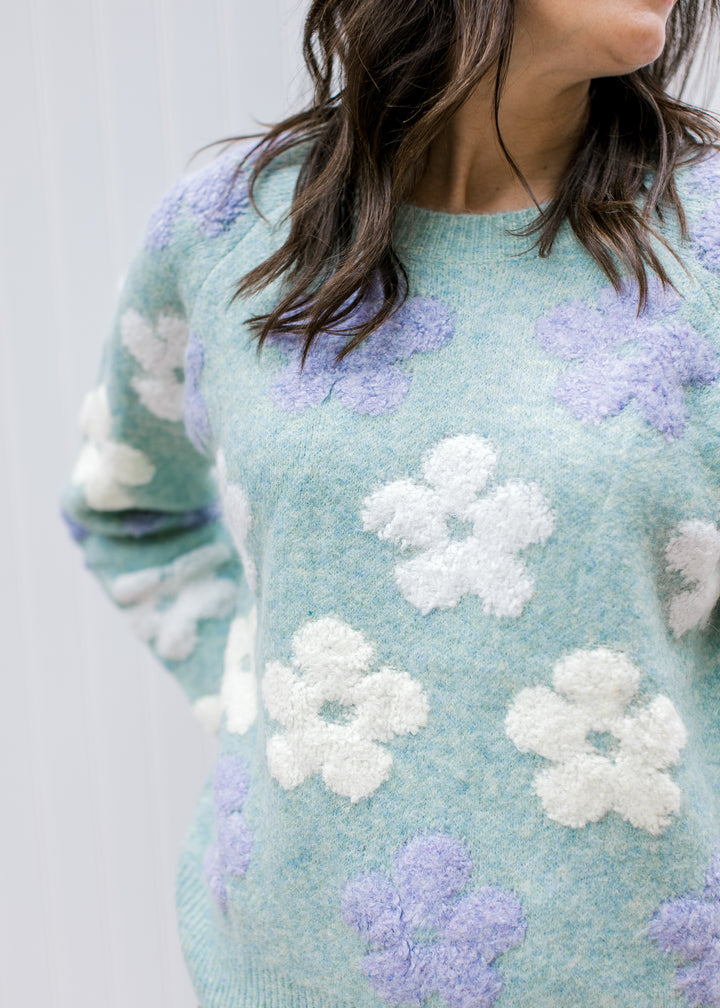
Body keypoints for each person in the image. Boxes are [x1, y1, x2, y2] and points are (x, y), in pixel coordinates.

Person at [60, 1, 720, 1005]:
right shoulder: (223, 235)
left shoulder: (705, 240)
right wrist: (266, 711)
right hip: (288, 972)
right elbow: (129, 509)